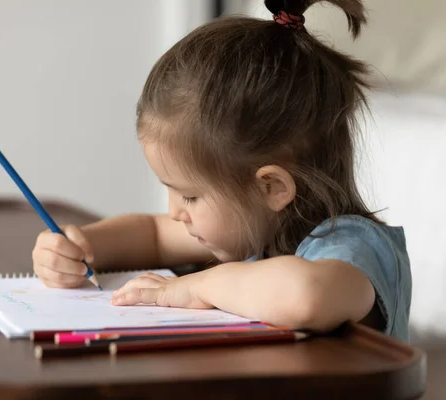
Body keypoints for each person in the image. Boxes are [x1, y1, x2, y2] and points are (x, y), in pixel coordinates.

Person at [32, 0, 411, 342]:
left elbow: (305, 296)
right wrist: (83, 246)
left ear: (272, 188)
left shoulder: (351, 248)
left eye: (191, 196)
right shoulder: (257, 227)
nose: (177, 212)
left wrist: (196, 287)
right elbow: (152, 234)